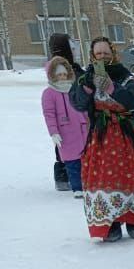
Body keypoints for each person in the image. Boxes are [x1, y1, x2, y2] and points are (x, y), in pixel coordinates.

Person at [69, 37, 134, 242]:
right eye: (98, 54)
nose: (102, 57)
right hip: (100, 137)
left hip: (126, 134)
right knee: (103, 179)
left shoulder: (125, 76)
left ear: (113, 53)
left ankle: (131, 220)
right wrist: (86, 87)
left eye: (106, 53)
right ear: (92, 55)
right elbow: (77, 104)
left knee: (131, 178)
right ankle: (111, 223)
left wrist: (113, 89)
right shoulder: (86, 76)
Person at [41, 56, 89, 198]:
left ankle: (87, 185)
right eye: (59, 75)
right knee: (72, 162)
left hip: (82, 130)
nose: (62, 77)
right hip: (65, 133)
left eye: (64, 74)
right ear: (53, 76)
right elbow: (49, 114)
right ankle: (77, 188)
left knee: (85, 160)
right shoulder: (49, 93)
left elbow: (83, 106)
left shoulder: (74, 88)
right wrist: (53, 132)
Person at [47, 34, 84, 190]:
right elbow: (49, 110)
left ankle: (76, 175)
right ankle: (65, 175)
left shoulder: (74, 70)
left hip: (80, 121)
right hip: (65, 121)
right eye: (72, 47)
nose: (75, 50)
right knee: (65, 146)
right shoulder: (59, 70)